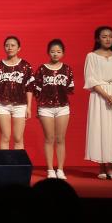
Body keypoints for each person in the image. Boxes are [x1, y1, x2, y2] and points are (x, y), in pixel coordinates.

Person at [84, 26, 112, 180]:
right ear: (97, 39)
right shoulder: (91, 56)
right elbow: (91, 79)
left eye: (110, 36)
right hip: (99, 96)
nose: (108, 39)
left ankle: (111, 168)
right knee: (101, 129)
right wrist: (105, 95)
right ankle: (102, 167)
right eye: (104, 36)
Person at [33, 39, 74, 179]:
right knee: (49, 138)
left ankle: (60, 169)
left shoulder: (67, 69)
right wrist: (38, 107)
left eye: (58, 51)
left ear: (63, 53)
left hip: (62, 107)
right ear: (48, 53)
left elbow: (70, 89)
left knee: (60, 139)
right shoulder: (42, 69)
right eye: (52, 51)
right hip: (45, 108)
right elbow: (37, 90)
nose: (55, 54)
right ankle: (50, 169)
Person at [0, 36, 35, 151]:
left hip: (20, 105)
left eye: (13, 45)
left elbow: (29, 88)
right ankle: (5, 162)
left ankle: (17, 162)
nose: (10, 48)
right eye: (7, 45)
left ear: (19, 48)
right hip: (2, 105)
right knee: (5, 137)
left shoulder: (25, 66)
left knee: (18, 138)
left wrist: (29, 107)